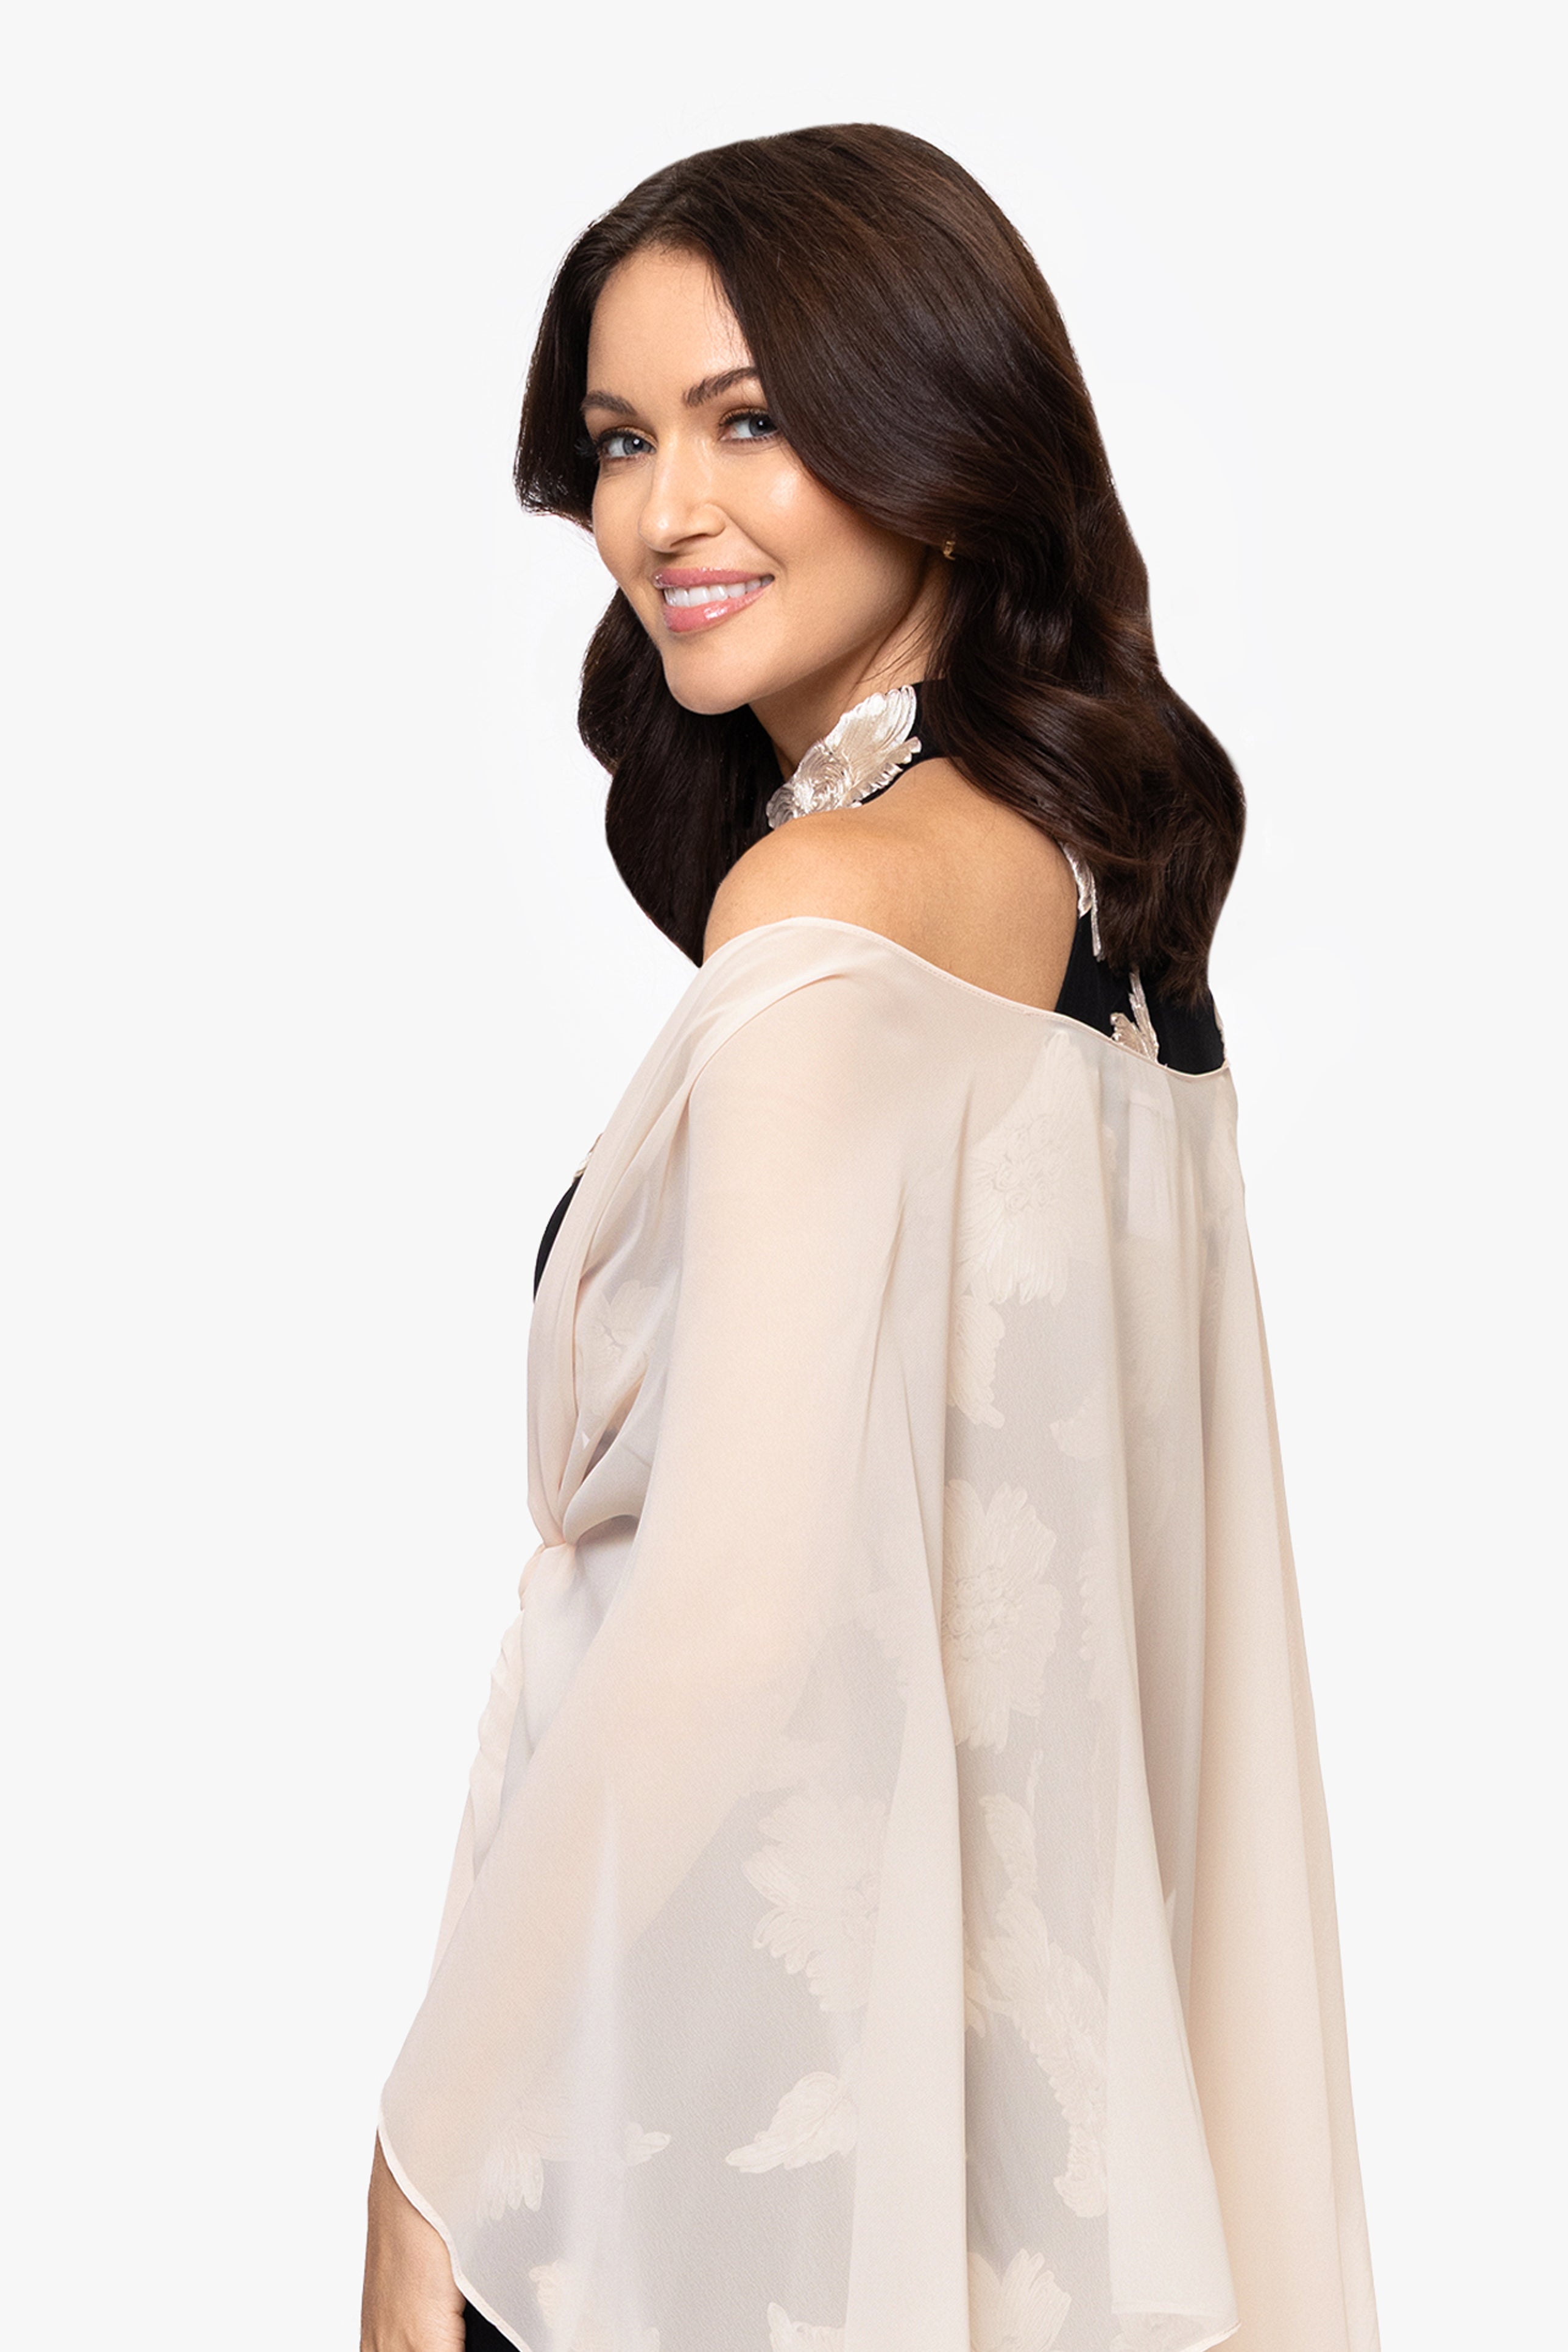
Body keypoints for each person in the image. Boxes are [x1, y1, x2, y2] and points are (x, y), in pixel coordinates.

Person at [361, 124, 1379, 2352]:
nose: (666, 513)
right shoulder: (1108, 919)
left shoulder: (829, 907)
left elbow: (727, 1631)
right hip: (964, 2146)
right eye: (622, 442)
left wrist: (433, 2141)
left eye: (751, 420)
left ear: (937, 427)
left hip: (679, 2136)